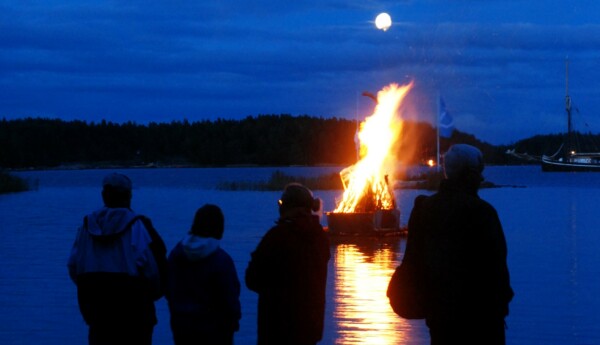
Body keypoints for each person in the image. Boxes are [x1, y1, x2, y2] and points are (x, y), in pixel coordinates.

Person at [403, 144, 514, 344]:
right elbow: (496, 269)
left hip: (439, 319)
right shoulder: (482, 212)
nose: (481, 179)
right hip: (480, 322)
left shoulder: (423, 210)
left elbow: (413, 261)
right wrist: (500, 305)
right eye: (478, 172)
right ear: (469, 174)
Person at [67, 172, 167, 345]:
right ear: (128, 196)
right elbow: (152, 272)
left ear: (103, 195)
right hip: (134, 318)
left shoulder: (86, 227)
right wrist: (153, 293)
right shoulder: (137, 226)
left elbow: (73, 266)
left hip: (98, 316)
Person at [245, 183, 330, 345]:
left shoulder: (276, 237)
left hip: (278, 329)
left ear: (290, 206)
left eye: (282, 204)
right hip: (309, 329)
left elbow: (252, 279)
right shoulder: (321, 238)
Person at [166, 204, 241, 345]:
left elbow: (168, 289)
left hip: (181, 329)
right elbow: (230, 298)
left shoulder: (175, 255)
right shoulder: (222, 261)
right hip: (216, 333)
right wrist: (233, 321)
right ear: (219, 229)